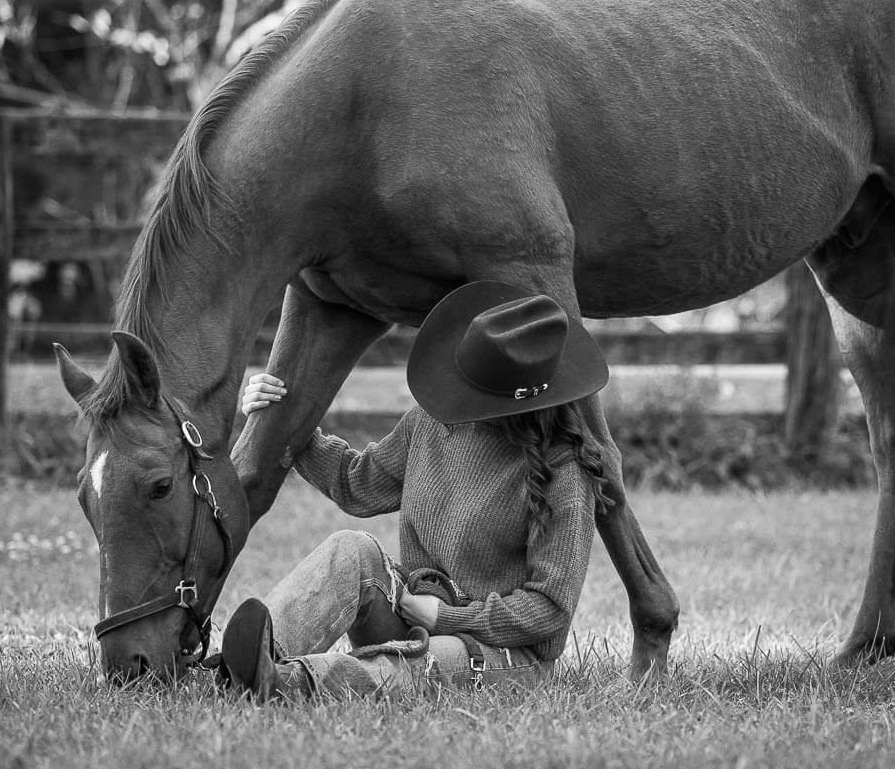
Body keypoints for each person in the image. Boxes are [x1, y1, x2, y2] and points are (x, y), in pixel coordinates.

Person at [219, 280, 617, 700]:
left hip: (506, 655)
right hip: (415, 613)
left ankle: (287, 683)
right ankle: (251, 662)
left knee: (422, 664)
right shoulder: (433, 421)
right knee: (350, 549)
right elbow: (358, 484)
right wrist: (283, 415)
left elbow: (550, 610)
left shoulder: (566, 474)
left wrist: (445, 617)